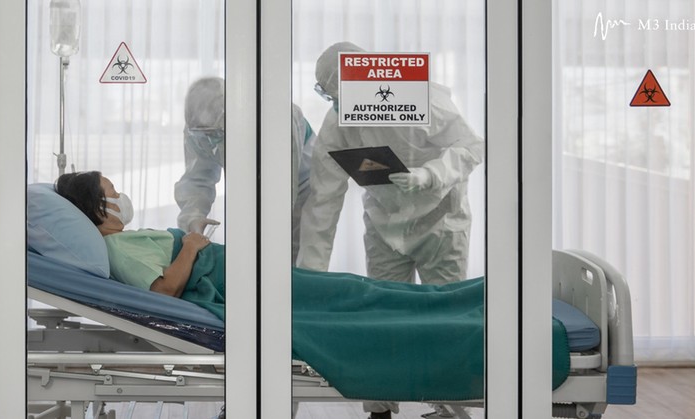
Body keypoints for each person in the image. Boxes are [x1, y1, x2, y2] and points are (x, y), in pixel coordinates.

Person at [53, 171, 569, 419]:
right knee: (361, 303)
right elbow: (166, 290)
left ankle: (481, 303)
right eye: (112, 190)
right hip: (234, 287)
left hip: (246, 277)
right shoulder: (116, 248)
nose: (120, 195)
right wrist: (189, 245)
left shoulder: (122, 241)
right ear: (98, 207)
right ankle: (486, 324)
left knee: (363, 292)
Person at [296, 42, 485, 419]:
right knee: (381, 322)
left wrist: (430, 175)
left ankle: (451, 408)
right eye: (330, 96)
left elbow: (470, 147)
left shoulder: (423, 98)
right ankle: (379, 410)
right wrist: (308, 282)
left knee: (445, 321)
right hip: (385, 227)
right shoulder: (337, 125)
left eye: (338, 94)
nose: (336, 103)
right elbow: (322, 205)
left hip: (441, 224)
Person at [175, 77, 317, 263]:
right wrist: (193, 218)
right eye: (205, 133)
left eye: (216, 133)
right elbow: (197, 178)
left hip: (303, 185)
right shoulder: (196, 127)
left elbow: (283, 187)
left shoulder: (278, 118)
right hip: (251, 185)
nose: (210, 139)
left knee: (293, 253)